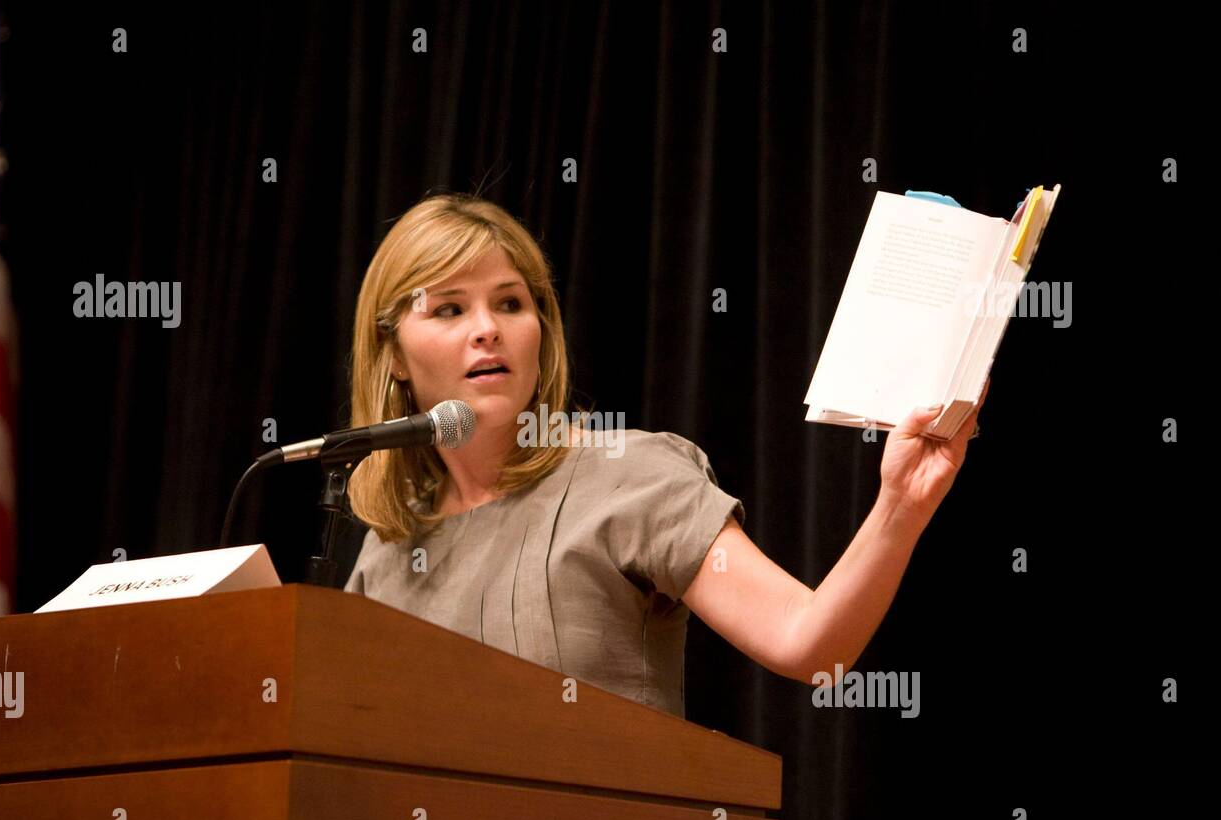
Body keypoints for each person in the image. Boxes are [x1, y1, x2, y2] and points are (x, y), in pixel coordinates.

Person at [343, 192, 987, 719]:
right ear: (394, 356)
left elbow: (808, 642)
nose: (488, 327)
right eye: (449, 309)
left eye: (511, 303)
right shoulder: (391, 547)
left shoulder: (630, 476)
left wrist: (900, 504)